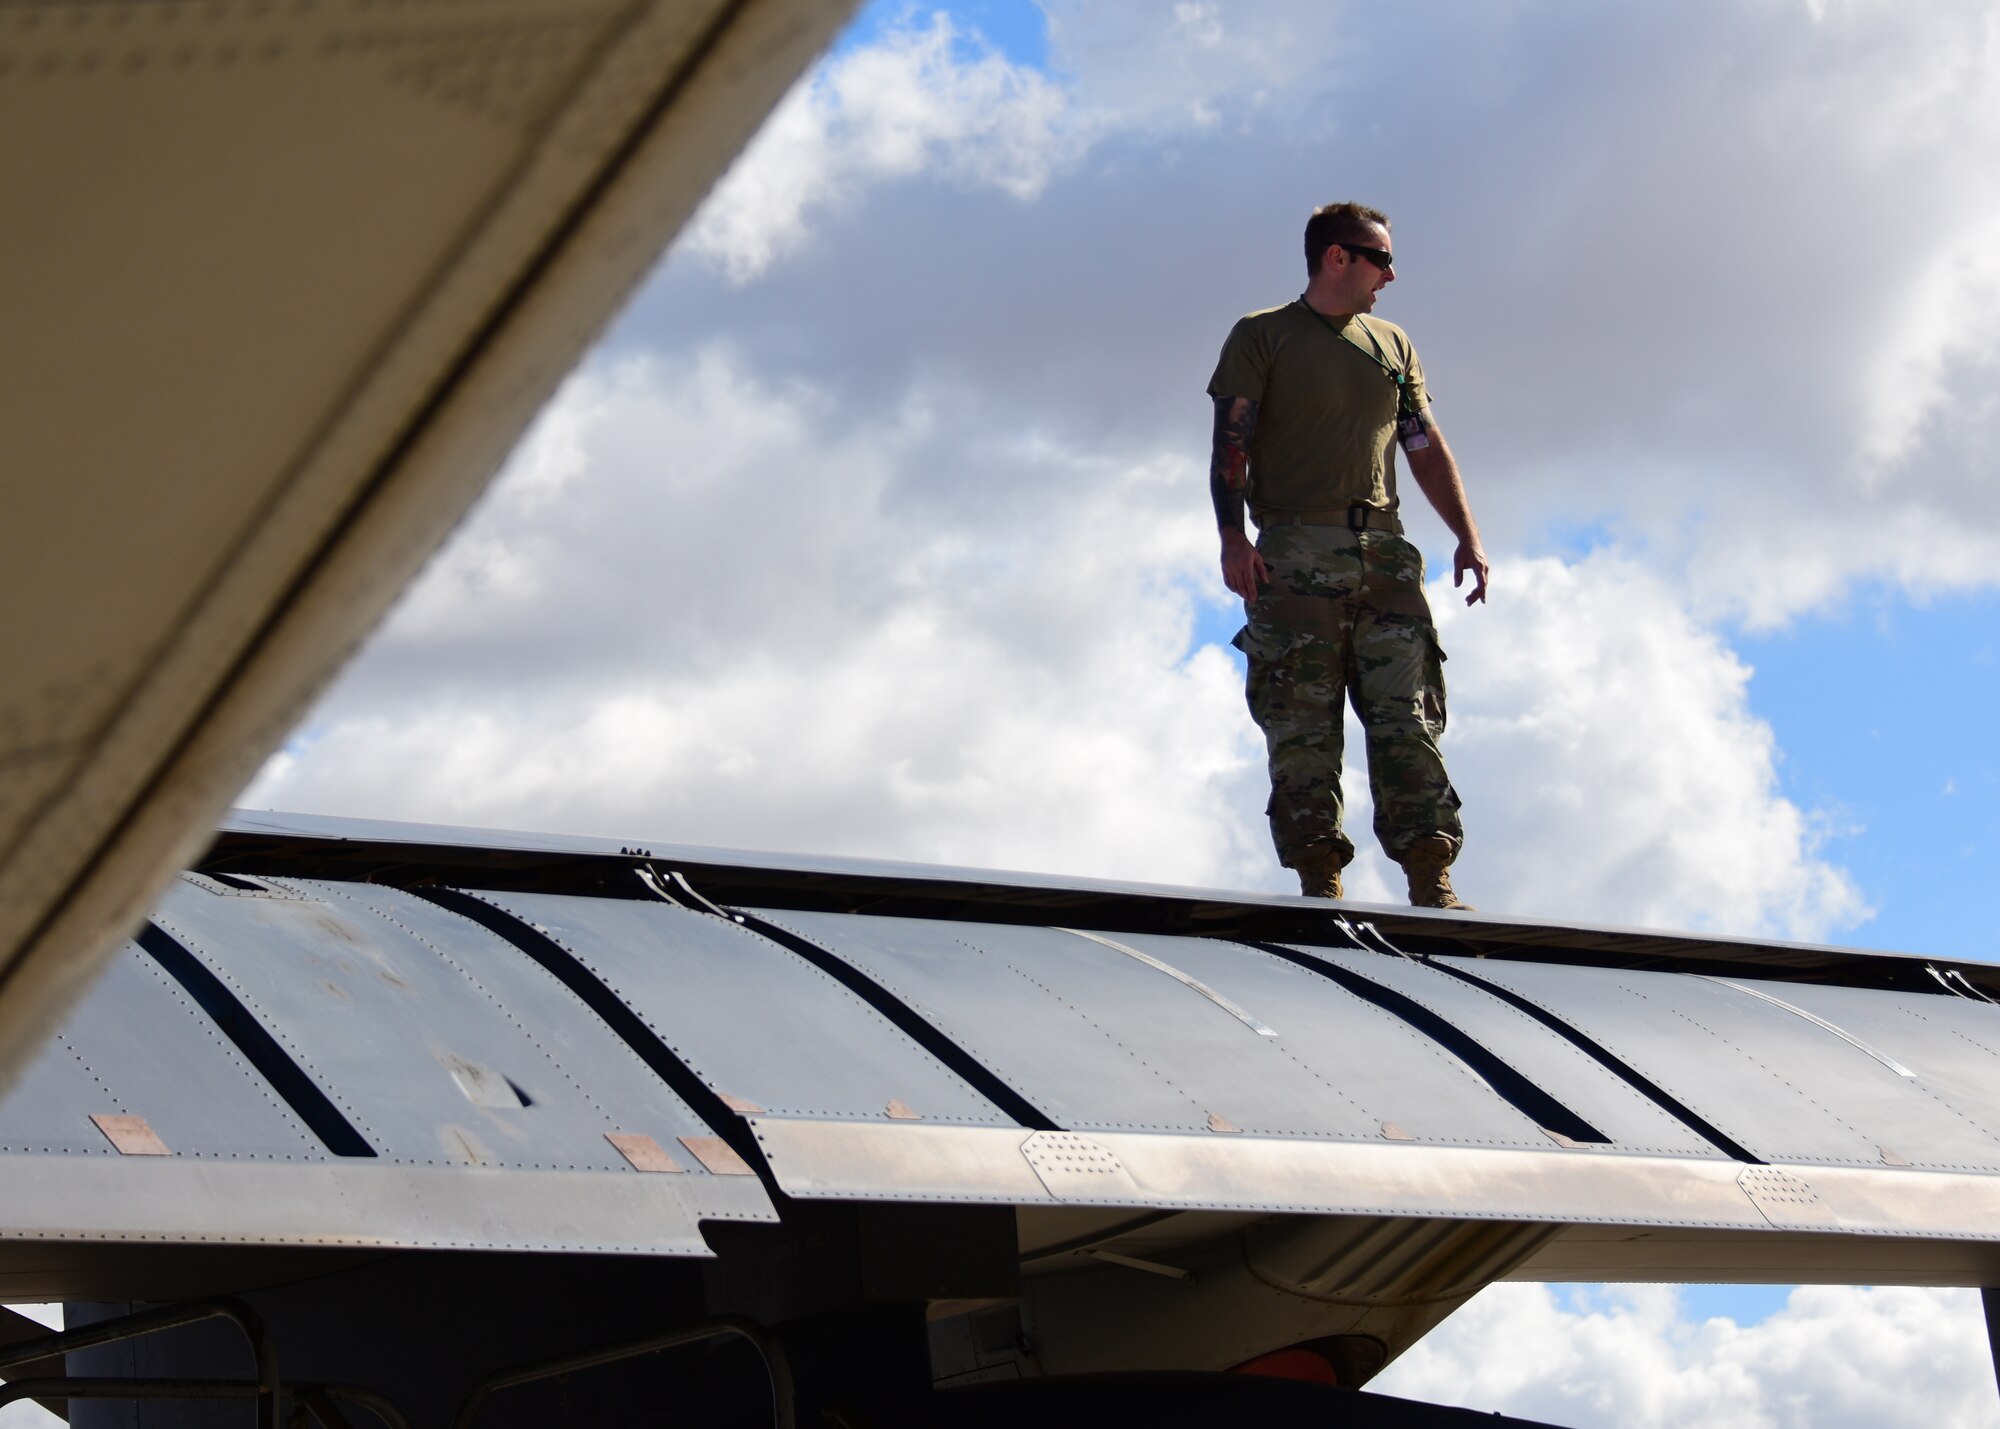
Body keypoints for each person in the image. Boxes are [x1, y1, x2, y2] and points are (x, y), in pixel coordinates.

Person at [1208, 201, 1489, 910]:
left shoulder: (1392, 344)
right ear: (1338, 257)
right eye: (1381, 259)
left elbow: (1422, 443)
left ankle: (1432, 875)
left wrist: (1468, 535)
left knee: (1409, 720)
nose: (1391, 275)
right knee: (1303, 724)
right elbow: (1229, 445)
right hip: (1295, 553)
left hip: (1386, 557)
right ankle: (1320, 880)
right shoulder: (1262, 336)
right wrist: (1233, 535)